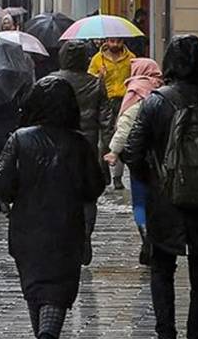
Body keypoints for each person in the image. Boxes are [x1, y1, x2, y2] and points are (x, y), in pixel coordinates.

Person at [122, 35, 198, 339]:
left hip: (164, 201)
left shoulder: (155, 103)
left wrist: (152, 179)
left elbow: (131, 151)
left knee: (161, 269)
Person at [0, 76, 105, 339]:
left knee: (35, 287)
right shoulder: (79, 142)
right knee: (58, 289)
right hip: (66, 226)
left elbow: (1, 182)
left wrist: (16, 191)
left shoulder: (20, 138)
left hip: (27, 226)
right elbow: (95, 186)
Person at [53, 40, 108, 264]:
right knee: (88, 195)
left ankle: (64, 238)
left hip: (57, 146)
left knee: (59, 193)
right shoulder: (96, 84)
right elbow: (105, 121)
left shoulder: (51, 81)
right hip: (87, 144)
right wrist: (108, 150)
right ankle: (84, 235)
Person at [105, 58, 163, 265]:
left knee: (139, 200)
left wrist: (113, 150)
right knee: (157, 198)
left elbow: (125, 124)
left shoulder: (136, 90)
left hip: (139, 157)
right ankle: (156, 235)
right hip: (160, 157)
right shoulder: (161, 90)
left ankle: (146, 235)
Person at [89, 37, 136, 189]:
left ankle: (117, 177)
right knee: (105, 140)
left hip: (125, 100)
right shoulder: (98, 59)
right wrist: (99, 76)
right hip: (106, 101)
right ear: (107, 42)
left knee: (122, 137)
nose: (115, 45)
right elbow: (90, 80)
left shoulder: (131, 58)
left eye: (118, 41)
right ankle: (104, 175)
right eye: (112, 41)